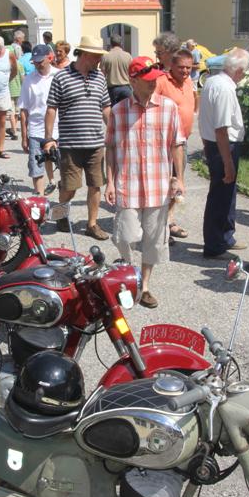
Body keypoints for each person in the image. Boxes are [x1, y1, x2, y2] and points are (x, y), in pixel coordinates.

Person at [105, 56, 186, 309]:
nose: (153, 85)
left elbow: (176, 145)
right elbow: (110, 148)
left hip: (157, 186)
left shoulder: (168, 108)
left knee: (153, 239)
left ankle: (145, 285)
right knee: (125, 236)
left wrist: (179, 179)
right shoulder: (118, 112)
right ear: (132, 80)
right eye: (147, 81)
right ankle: (129, 277)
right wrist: (109, 182)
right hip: (127, 185)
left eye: (155, 80)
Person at [44, 35, 113, 240]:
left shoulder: (99, 77)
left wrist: (115, 130)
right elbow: (51, 109)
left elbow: (106, 107)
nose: (99, 59)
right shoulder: (61, 77)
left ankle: (92, 224)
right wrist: (49, 138)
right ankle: (59, 213)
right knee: (70, 188)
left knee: (95, 184)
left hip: (95, 143)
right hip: (70, 145)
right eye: (96, 56)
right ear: (83, 54)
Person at [198, 48, 249, 259]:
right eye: (244, 72)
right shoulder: (225, 89)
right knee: (220, 196)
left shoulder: (212, 81)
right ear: (238, 71)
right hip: (223, 145)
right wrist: (228, 163)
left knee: (226, 196)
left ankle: (225, 237)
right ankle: (214, 245)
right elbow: (221, 128)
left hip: (216, 144)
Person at [155, 48, 199, 243]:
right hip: (163, 143)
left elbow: (192, 103)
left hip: (182, 142)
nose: (185, 71)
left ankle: (169, 220)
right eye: (181, 67)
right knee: (164, 185)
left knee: (177, 185)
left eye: (188, 68)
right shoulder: (162, 82)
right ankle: (159, 227)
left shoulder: (189, 82)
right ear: (171, 65)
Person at [19, 44, 60, 196]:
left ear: (49, 58)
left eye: (40, 61)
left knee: (64, 166)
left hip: (58, 129)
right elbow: (24, 110)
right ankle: (40, 200)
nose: (37, 64)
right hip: (36, 129)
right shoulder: (28, 80)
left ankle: (61, 194)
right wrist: (24, 136)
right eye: (35, 62)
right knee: (36, 167)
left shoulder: (59, 76)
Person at [100, 33, 133, 105]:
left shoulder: (105, 56)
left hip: (112, 90)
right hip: (126, 88)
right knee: (127, 113)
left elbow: (102, 74)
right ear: (121, 43)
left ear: (111, 43)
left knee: (113, 113)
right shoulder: (128, 56)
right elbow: (132, 73)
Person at [7, 30, 26, 141]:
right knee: (17, 112)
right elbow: (23, 78)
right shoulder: (19, 65)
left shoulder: (6, 65)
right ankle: (16, 128)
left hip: (9, 91)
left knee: (11, 112)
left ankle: (14, 130)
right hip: (19, 90)